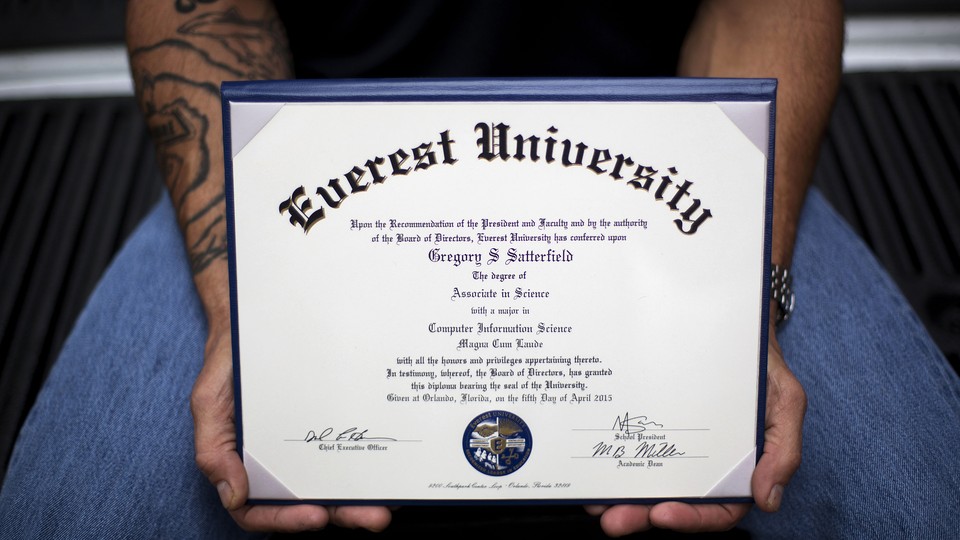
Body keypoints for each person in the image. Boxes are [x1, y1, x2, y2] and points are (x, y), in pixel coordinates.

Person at [1, 0, 958, 538]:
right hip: (314, 162)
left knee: (911, 513)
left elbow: (764, 11)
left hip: (662, 159)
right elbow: (201, 12)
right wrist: (239, 302)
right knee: (81, 518)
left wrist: (744, 301)